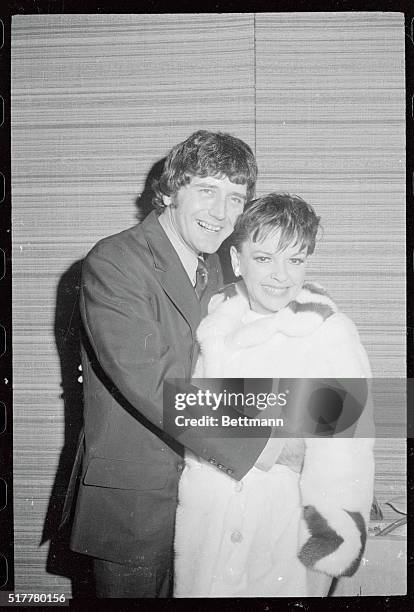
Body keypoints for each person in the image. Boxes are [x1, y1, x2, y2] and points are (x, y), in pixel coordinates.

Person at [66, 130, 280, 598]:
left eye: (236, 198)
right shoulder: (115, 260)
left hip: (209, 500)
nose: (222, 213)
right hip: (138, 509)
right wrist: (265, 445)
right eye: (207, 190)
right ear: (169, 191)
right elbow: (156, 382)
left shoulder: (224, 267)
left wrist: (357, 411)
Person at [174, 193, 375, 597]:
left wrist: (326, 557)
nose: (281, 276)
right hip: (207, 524)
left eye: (295, 260)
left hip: (283, 532)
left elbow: (347, 457)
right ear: (236, 261)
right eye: (264, 258)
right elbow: (186, 415)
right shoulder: (213, 326)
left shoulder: (330, 333)